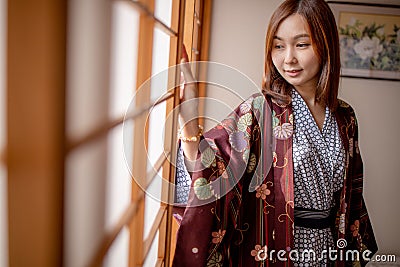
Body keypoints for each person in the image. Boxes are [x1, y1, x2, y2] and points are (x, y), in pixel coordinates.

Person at [173, 0, 378, 266]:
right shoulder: (259, 111)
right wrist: (188, 119)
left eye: (301, 44)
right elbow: (214, 170)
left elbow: (352, 197)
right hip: (279, 248)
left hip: (329, 249)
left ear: (326, 44)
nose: (288, 58)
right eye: (278, 46)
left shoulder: (345, 116)